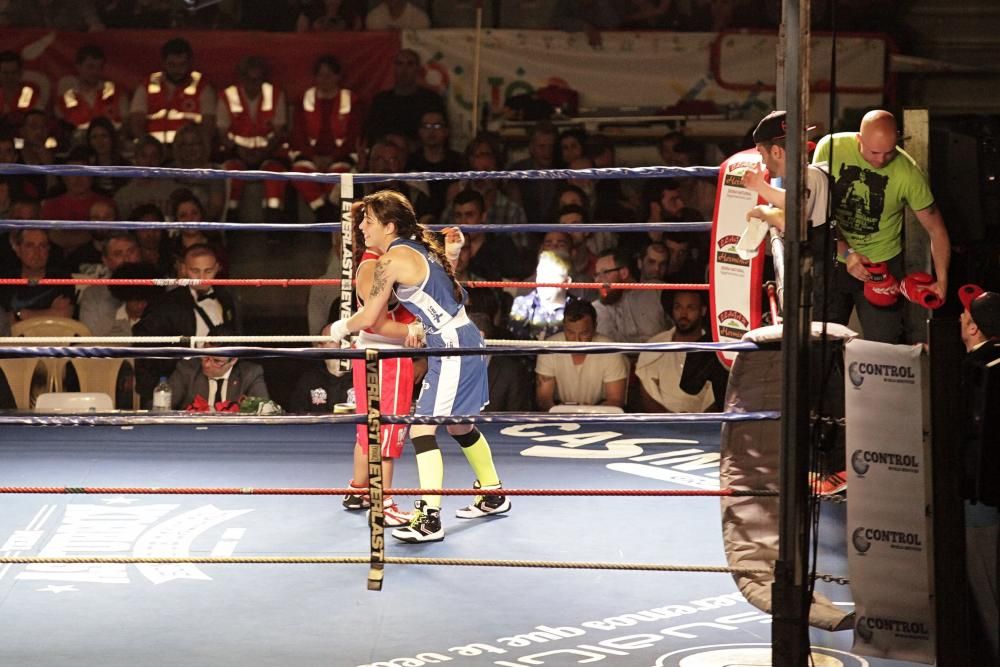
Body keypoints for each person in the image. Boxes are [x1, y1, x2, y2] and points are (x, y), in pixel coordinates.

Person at [327, 190, 508, 544]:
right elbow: (442, 291)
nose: (362, 227)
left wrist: (338, 328)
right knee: (459, 426)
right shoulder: (418, 247)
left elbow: (370, 316)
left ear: (389, 226)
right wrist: (452, 252)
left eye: (369, 221)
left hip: (452, 344)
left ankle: (428, 518)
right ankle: (492, 492)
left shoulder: (393, 261)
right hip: (458, 339)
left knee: (421, 430)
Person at [812, 109, 951, 343]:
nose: (880, 160)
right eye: (874, 152)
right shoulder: (830, 148)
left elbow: (936, 230)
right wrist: (847, 252)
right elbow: (816, 213)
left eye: (889, 152)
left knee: (884, 349)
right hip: (833, 260)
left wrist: (943, 280)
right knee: (819, 345)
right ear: (859, 139)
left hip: (882, 267)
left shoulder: (908, 173)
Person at [343, 235, 424, 528]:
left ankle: (358, 490)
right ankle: (383, 505)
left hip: (373, 354)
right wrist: (413, 332)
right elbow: (373, 320)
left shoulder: (375, 263)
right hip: (387, 357)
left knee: (370, 428)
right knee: (386, 432)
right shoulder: (375, 267)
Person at [958, 286, 1000, 662]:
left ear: (973, 328)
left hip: (979, 500)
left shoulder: (971, 372)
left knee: (987, 594)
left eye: (964, 315)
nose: (959, 318)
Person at [535, 298, 628, 411]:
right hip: (559, 416)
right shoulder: (549, 348)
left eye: (584, 333)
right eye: (570, 333)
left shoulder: (610, 350)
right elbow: (544, 400)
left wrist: (589, 412)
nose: (576, 340)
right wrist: (562, 412)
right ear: (563, 327)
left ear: (595, 328)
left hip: (599, 416)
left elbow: (616, 399)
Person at [635, 290, 715, 413]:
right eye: (678, 307)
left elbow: (716, 399)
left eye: (690, 308)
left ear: (703, 311)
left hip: (702, 426)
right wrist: (671, 423)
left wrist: (695, 425)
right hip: (661, 426)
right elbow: (648, 393)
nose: (683, 314)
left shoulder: (715, 348)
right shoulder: (656, 344)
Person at [129, 38, 216, 148]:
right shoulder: (147, 85)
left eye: (182, 65)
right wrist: (148, 148)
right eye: (172, 65)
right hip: (155, 152)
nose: (177, 70)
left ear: (189, 63)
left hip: (188, 151)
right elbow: (136, 123)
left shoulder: (202, 87)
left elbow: (208, 127)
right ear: (163, 63)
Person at [55, 45, 129, 143]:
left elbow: (126, 126)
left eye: (99, 67)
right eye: (90, 67)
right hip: (79, 151)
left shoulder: (116, 93)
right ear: (78, 67)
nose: (95, 72)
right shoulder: (66, 98)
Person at [167, 350, 269, 411]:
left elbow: (264, 411)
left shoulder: (250, 374)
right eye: (205, 356)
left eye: (216, 361)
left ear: (233, 360)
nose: (206, 364)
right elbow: (161, 408)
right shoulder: (186, 370)